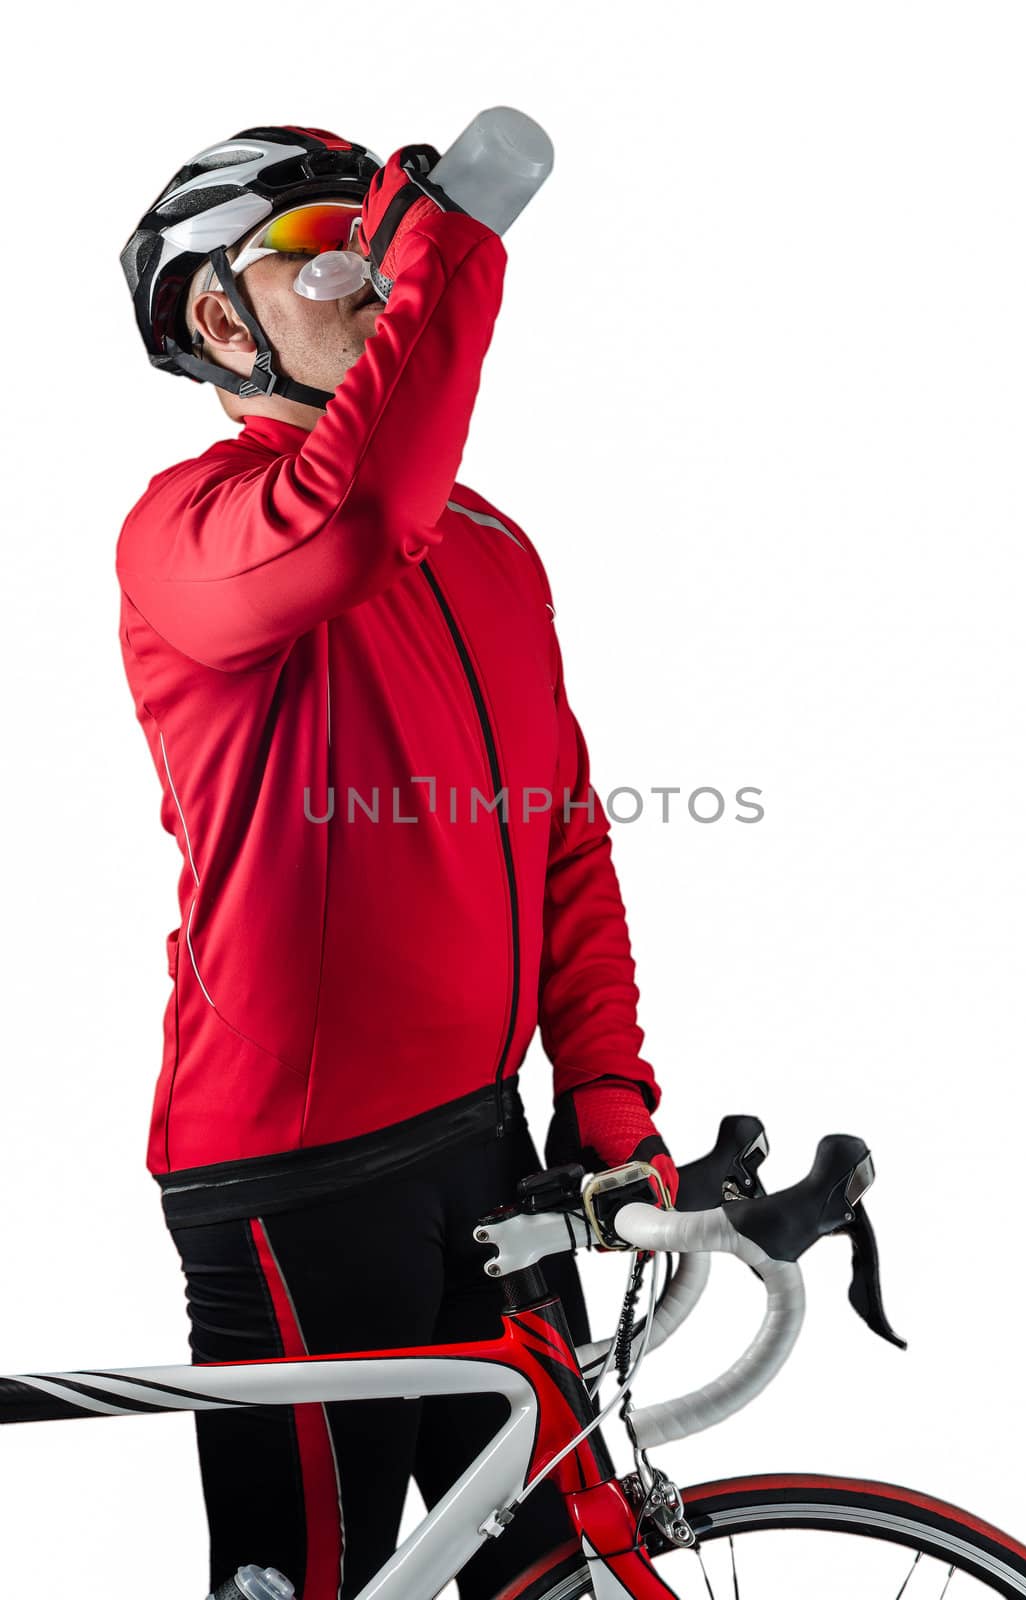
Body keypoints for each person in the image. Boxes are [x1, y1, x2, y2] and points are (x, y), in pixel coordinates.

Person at [117, 124, 679, 1600]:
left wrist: (609, 1104)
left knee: (572, 1566)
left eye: (386, 239)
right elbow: (350, 514)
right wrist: (453, 243)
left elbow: (563, 839)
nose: (371, 272)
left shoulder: (489, 545)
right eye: (321, 249)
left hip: (481, 1149)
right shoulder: (190, 533)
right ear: (220, 321)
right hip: (296, 1176)